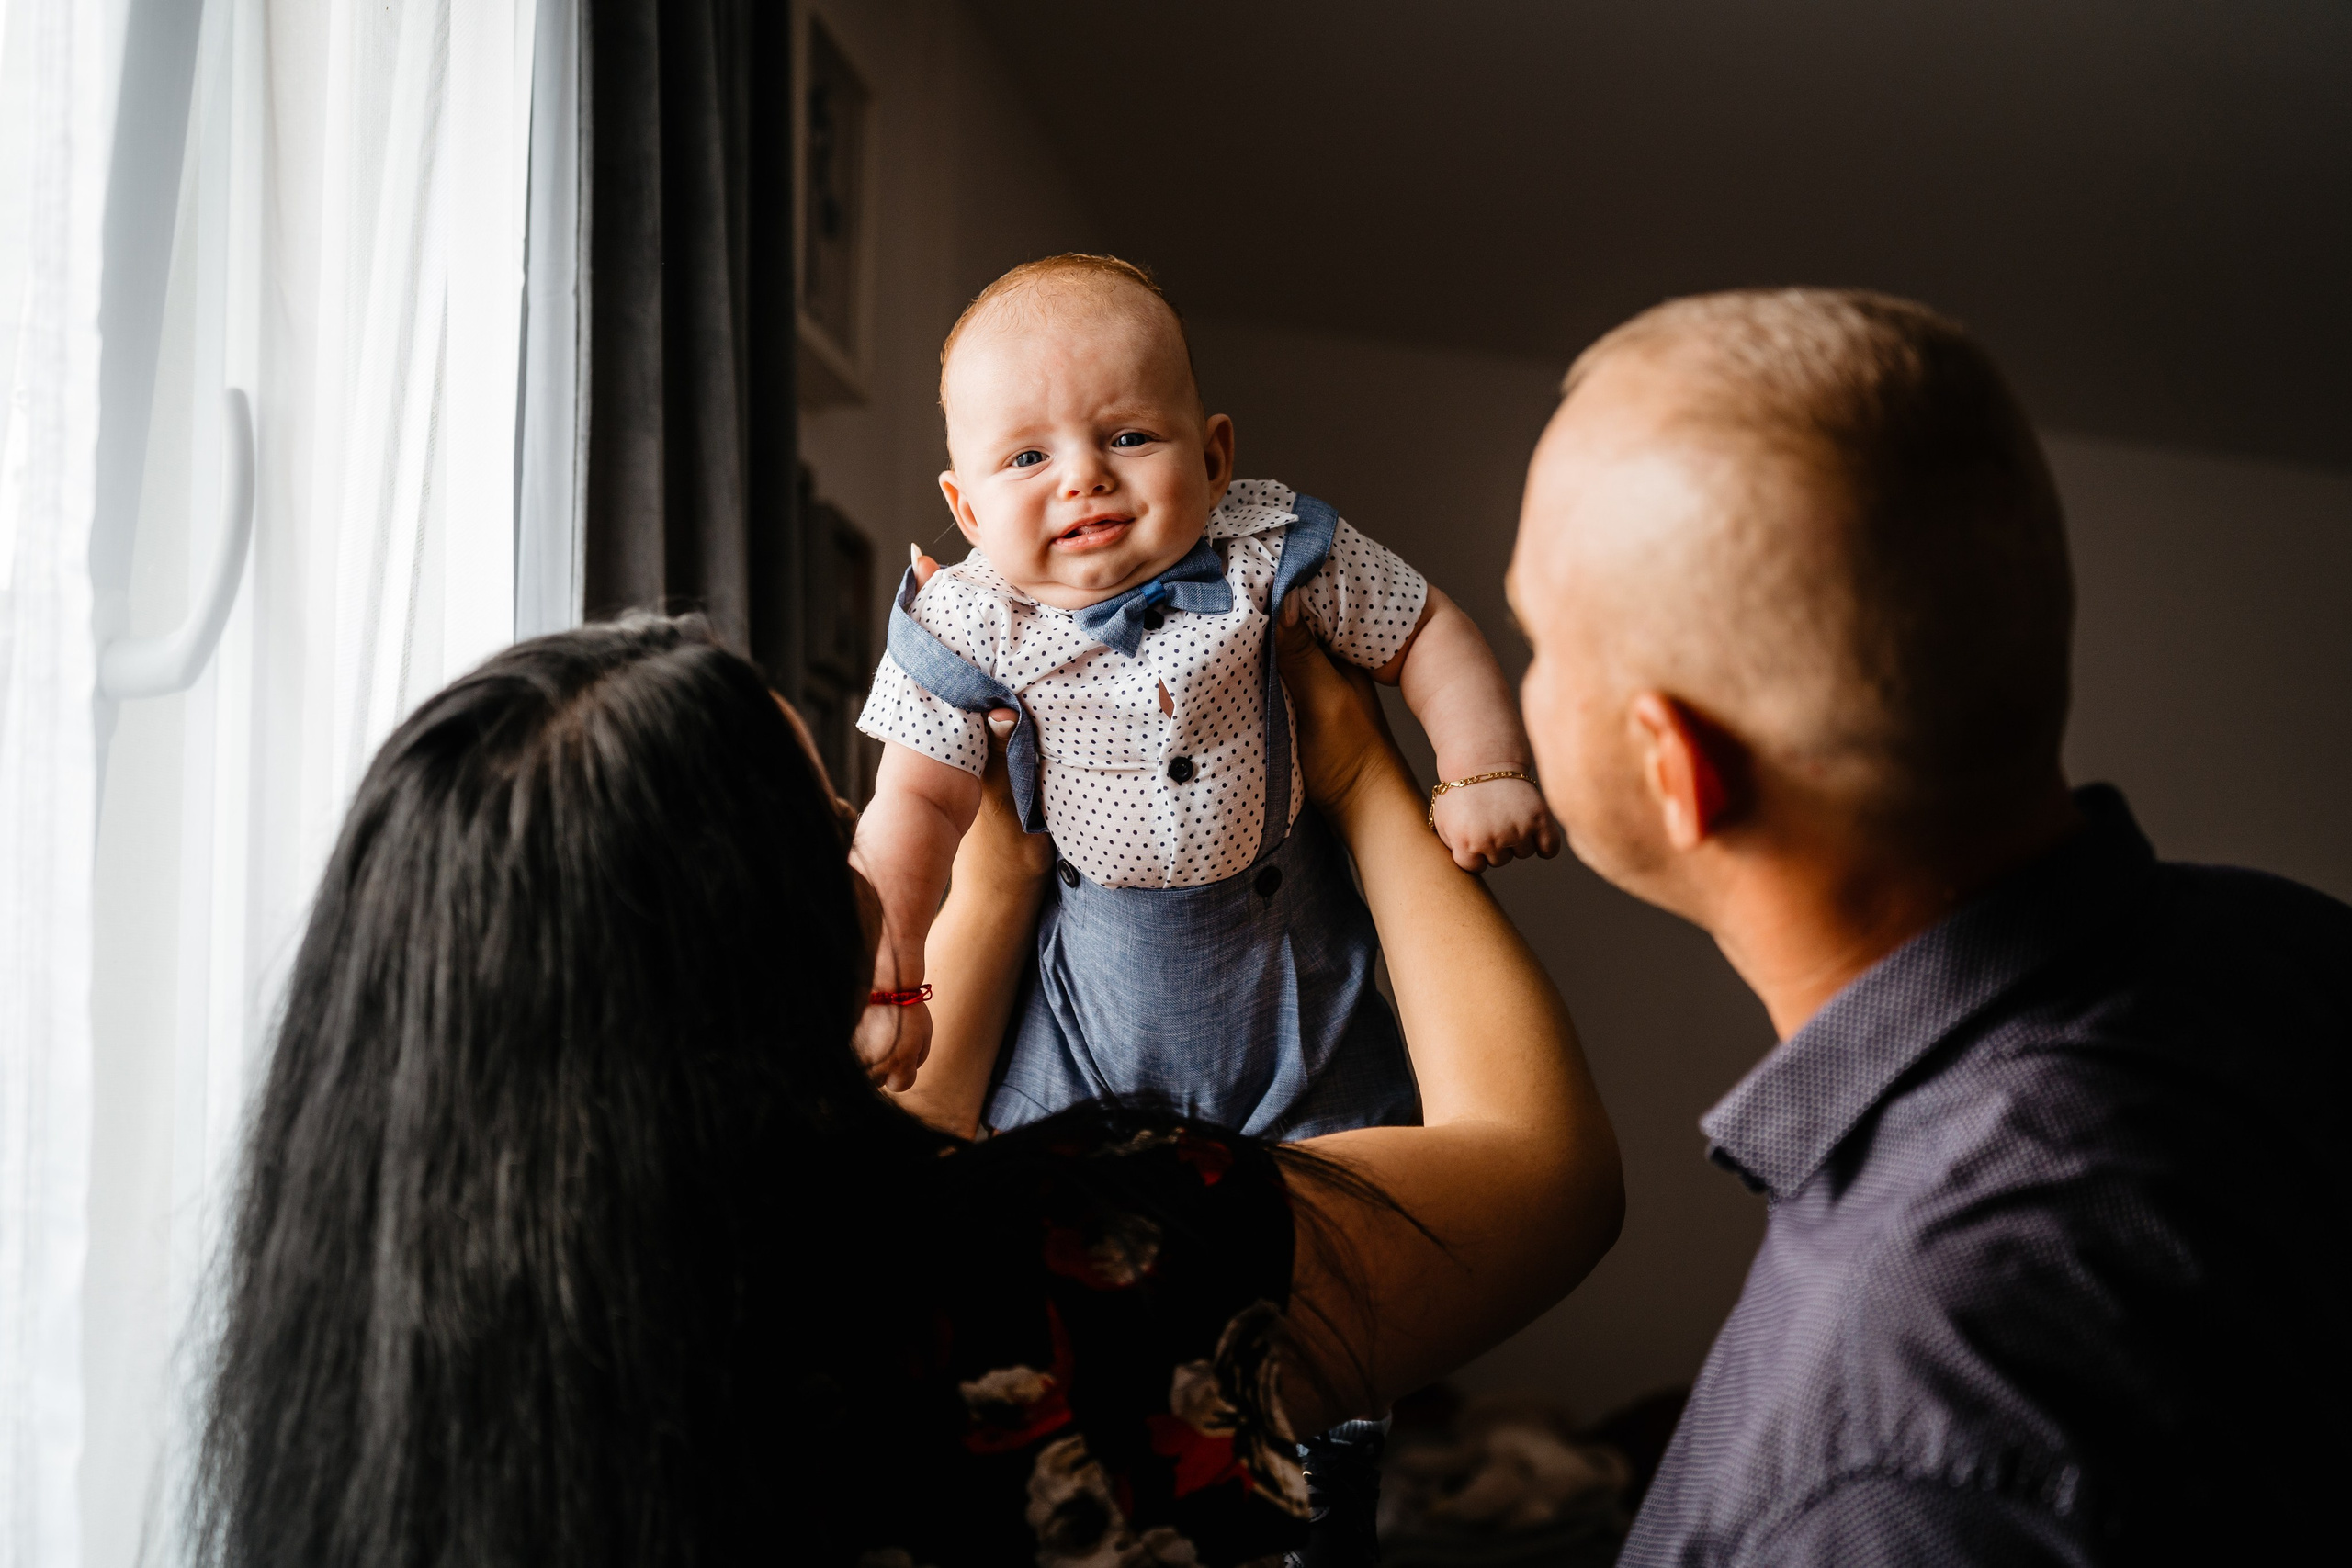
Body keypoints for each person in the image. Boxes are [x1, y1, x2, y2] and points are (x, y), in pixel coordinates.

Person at [194, 613, 1621, 1568]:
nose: (864, 849)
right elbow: (1542, 1168)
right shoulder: (1092, 1260)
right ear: (781, 948)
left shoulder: (373, 1391)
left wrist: (986, 869)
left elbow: (893, 1170)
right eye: (835, 826)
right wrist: (1360, 760)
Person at [1506, 287, 2351, 1562]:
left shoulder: (1893, 1437)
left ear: (1677, 768)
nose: (1522, 677)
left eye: (1539, 638)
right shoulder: (2295, 947)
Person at [850, 254, 1558, 1144]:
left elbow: (1423, 629)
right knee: (1066, 1192)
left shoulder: (1270, 549)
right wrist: (893, 976)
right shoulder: (973, 620)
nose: (1083, 477)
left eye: (1128, 437)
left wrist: (1478, 768)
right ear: (969, 512)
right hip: (1088, 1028)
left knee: (1348, 1178)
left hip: (1294, 993)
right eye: (1027, 456)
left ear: (1215, 456)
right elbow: (913, 801)